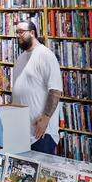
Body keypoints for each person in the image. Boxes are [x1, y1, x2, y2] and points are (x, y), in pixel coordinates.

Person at [10, 19, 63, 153]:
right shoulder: (20, 58)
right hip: (22, 133)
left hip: (42, 132)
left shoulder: (45, 55)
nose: (18, 35)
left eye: (21, 32)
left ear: (32, 33)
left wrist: (46, 118)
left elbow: (55, 91)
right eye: (17, 32)